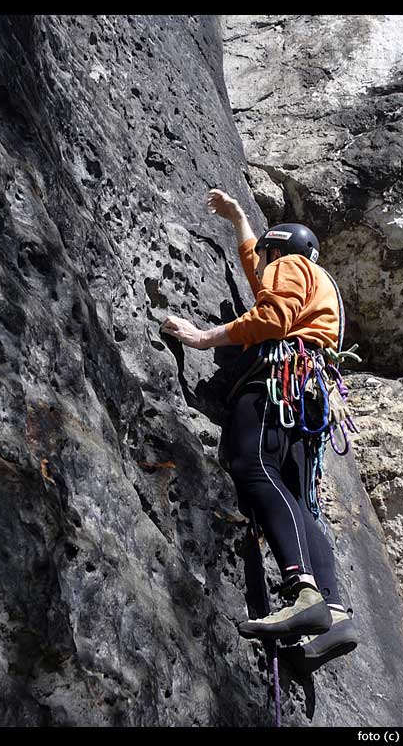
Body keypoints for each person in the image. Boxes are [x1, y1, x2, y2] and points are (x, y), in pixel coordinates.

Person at [161, 189, 358, 663]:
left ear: (280, 251)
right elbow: (262, 279)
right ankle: (332, 609)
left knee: (252, 466)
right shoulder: (317, 282)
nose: (262, 268)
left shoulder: (291, 268)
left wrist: (205, 337)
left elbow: (272, 314)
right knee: (296, 500)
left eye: (267, 255)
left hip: (277, 383)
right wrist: (240, 221)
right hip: (308, 398)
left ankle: (302, 589)